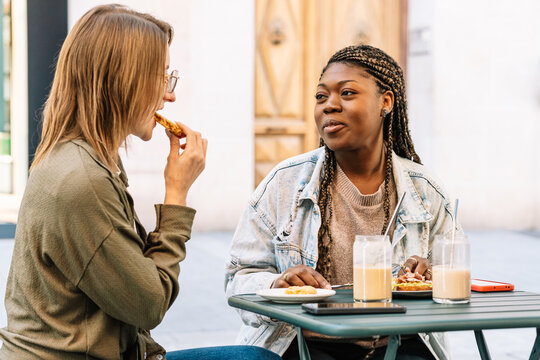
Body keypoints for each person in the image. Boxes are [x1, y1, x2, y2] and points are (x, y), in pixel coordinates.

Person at [0, 5, 280, 360]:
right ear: (123, 80)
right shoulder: (81, 179)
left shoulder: (91, 159)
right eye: (161, 78)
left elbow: (131, 277)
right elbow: (148, 305)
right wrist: (176, 196)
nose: (170, 95)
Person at [226, 44, 462, 360]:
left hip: (399, 343)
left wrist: (430, 276)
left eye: (347, 93)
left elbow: (455, 281)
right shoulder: (285, 184)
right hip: (306, 344)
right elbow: (238, 278)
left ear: (386, 102)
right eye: (321, 97)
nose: (329, 105)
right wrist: (276, 283)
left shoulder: (425, 191)